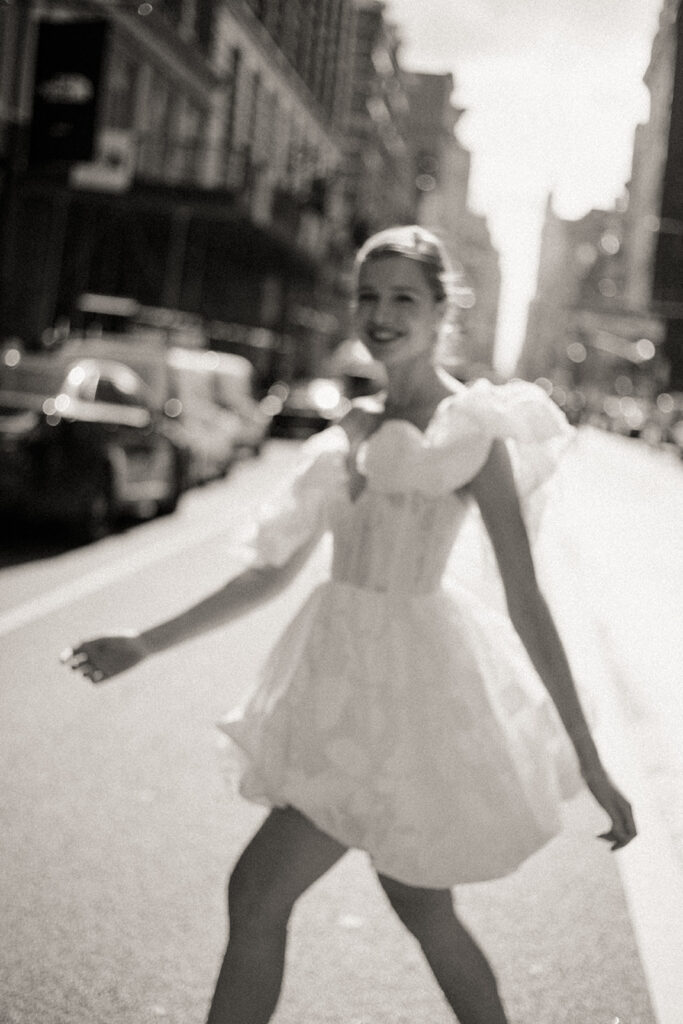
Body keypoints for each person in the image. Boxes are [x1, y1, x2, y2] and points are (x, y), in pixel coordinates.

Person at [62, 225, 636, 1024]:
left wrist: (591, 759)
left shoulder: (475, 428)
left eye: (404, 297)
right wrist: (144, 643)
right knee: (409, 911)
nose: (381, 313)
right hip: (337, 689)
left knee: (271, 892)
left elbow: (526, 600)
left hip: (407, 701)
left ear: (442, 312)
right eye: (368, 296)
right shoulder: (351, 426)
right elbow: (268, 571)